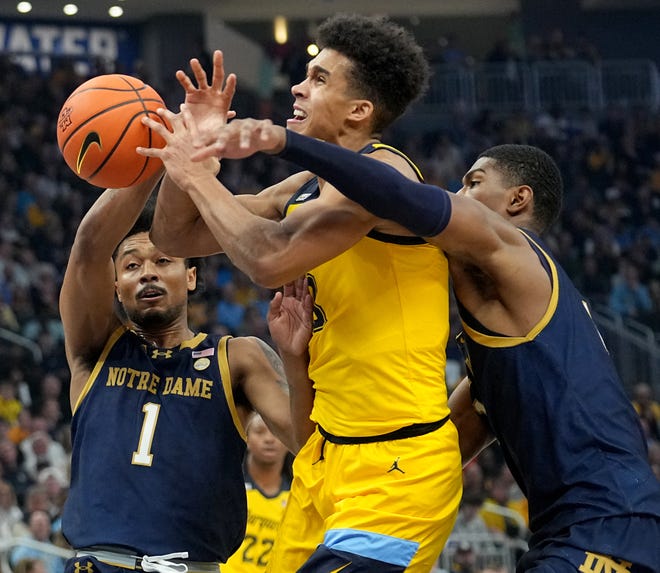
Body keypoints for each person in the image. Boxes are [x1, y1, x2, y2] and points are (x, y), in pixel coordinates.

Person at [168, 123, 660, 572]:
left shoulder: (516, 251)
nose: (455, 193)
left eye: (472, 183)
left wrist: (284, 143)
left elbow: (399, 196)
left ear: (517, 200)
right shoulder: (500, 346)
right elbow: (438, 445)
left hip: (610, 524)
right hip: (570, 531)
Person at [139, 14, 463, 573]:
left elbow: (268, 258)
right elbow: (175, 235)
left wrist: (198, 177)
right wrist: (189, 154)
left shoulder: (385, 179)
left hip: (399, 467)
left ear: (359, 110)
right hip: (322, 461)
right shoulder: (303, 185)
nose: (296, 85)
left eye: (317, 78)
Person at [57, 171, 308, 573]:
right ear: (117, 286)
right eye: (132, 265)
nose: (147, 273)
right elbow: (89, 244)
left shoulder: (237, 358)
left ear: (191, 276)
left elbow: (308, 442)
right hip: (99, 564)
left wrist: (294, 360)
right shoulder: (96, 348)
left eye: (163, 260)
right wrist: (155, 161)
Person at [223, 412, 292, 573]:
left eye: (276, 433)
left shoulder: (296, 496)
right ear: (245, 437)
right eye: (260, 431)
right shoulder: (229, 486)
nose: (269, 439)